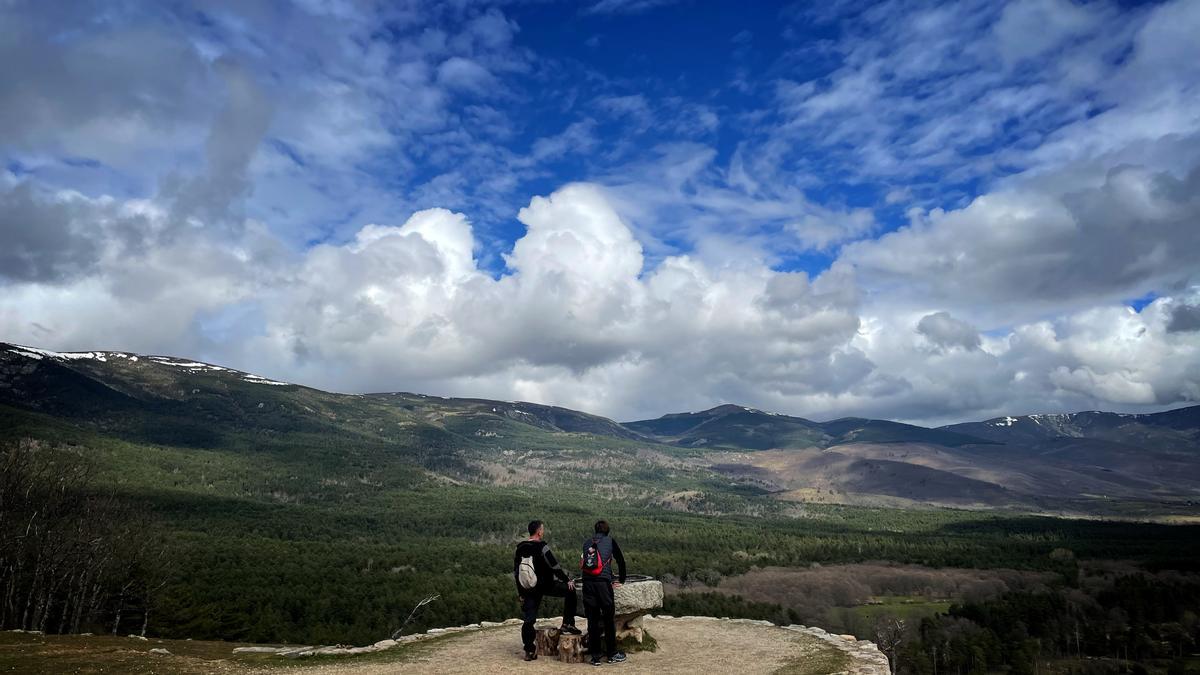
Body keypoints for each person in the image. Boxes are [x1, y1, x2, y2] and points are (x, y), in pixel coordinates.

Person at [514, 520, 580, 661]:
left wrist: (521, 592)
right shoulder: (542, 547)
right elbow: (554, 566)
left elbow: (516, 572)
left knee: (529, 620)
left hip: (529, 588)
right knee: (570, 591)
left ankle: (529, 650)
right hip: (547, 585)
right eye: (542, 530)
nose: (543, 532)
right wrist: (566, 580)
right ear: (538, 532)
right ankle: (567, 624)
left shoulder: (521, 547)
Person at [580, 520, 626, 666]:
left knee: (592, 620)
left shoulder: (587, 543)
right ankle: (611, 654)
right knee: (608, 618)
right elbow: (620, 561)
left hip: (588, 583)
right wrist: (622, 579)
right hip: (603, 584)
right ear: (607, 531)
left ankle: (595, 656)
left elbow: (584, 563)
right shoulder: (610, 541)